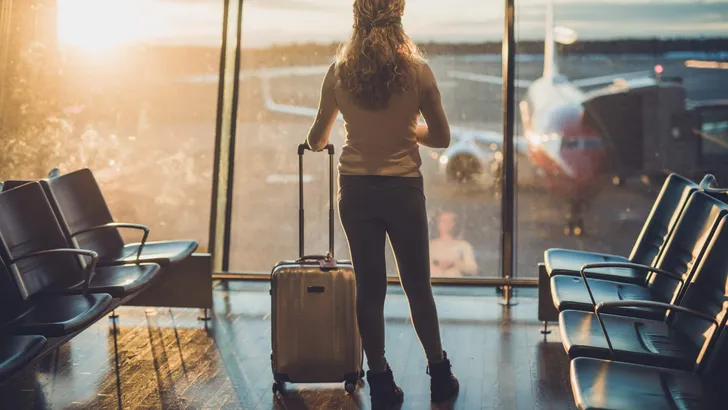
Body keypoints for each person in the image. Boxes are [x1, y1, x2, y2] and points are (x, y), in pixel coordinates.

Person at [304, 0, 459, 407]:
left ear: (356, 21)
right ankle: (439, 372)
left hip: (355, 191)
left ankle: (380, 380)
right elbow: (441, 137)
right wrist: (409, 129)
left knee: (369, 289)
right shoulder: (418, 73)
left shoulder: (339, 73)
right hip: (403, 192)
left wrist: (329, 131)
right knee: (417, 286)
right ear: (398, 20)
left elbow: (318, 139)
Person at [430, 211, 478, 277]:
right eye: (443, 221)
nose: (447, 224)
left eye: (450, 221)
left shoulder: (464, 246)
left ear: (455, 224)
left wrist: (455, 263)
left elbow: (473, 270)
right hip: (434, 285)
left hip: (454, 285)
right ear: (438, 224)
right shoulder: (430, 246)